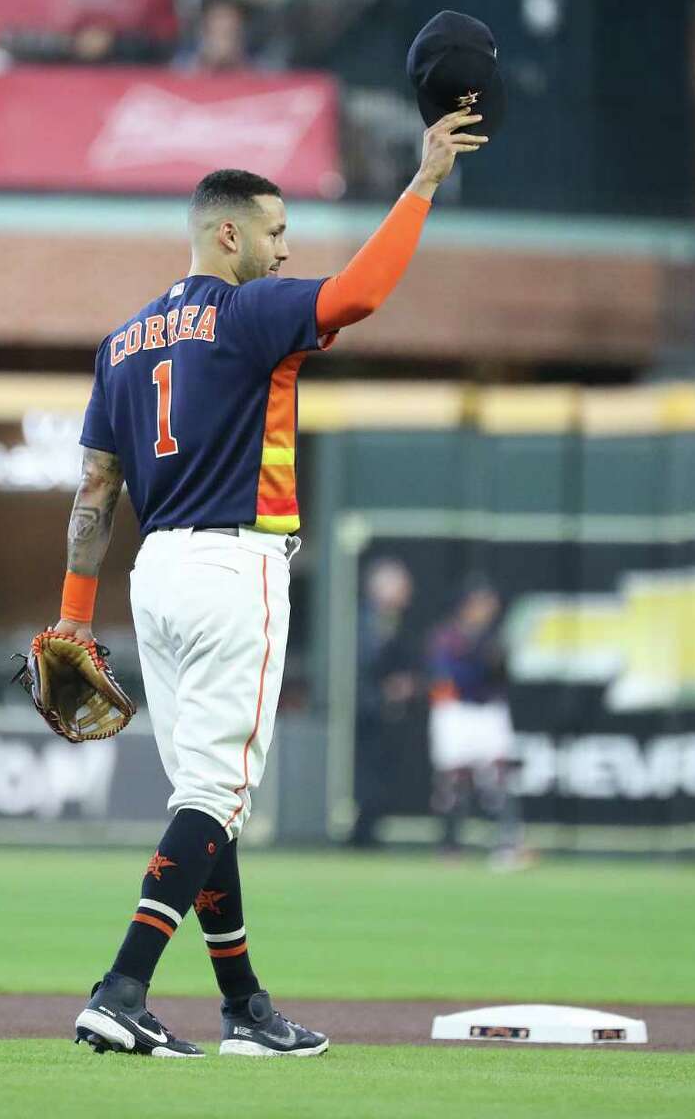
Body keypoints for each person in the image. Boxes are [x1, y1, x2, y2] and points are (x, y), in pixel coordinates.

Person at [53, 108, 487, 1058]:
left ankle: (244, 1004)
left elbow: (95, 488)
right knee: (216, 795)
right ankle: (121, 987)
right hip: (232, 565)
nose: (286, 250)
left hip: (154, 572)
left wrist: (72, 620)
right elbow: (361, 295)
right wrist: (422, 186)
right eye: (277, 232)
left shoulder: (121, 343)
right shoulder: (246, 311)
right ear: (228, 233)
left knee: (208, 800)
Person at [426, 578, 525, 870]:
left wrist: (492, 662)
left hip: (489, 711)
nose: (487, 609)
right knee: (454, 781)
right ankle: (450, 846)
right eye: (482, 603)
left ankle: (508, 844)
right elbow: (446, 677)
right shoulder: (448, 636)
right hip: (456, 711)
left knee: (498, 778)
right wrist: (479, 662)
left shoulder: (495, 637)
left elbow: (502, 675)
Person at [348, 557, 421, 848]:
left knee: (378, 777)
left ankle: (368, 831)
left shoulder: (396, 622)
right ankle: (359, 834)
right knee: (363, 776)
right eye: (402, 588)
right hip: (359, 713)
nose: (408, 594)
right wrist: (382, 693)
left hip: (381, 716)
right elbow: (356, 671)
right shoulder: (359, 621)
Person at [173, 0, 255, 75]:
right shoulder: (184, 62)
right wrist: (207, 62)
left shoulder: (255, 64)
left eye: (229, 18)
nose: (224, 25)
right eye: (218, 18)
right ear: (205, 26)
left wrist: (236, 61)